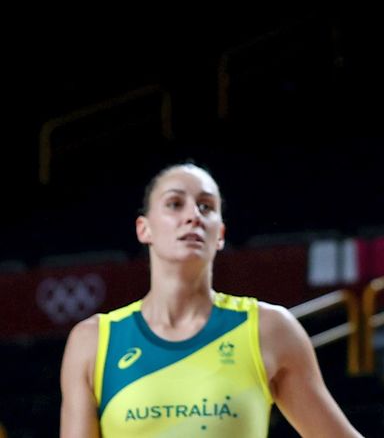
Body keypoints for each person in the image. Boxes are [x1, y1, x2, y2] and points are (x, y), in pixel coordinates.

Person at [58, 162, 362, 437]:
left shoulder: (269, 329)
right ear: (144, 229)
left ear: (220, 234)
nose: (193, 216)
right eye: (175, 204)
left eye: (206, 207)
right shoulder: (94, 340)